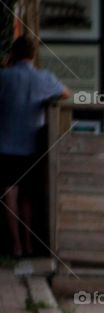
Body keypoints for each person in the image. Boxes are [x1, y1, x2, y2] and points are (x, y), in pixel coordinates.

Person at [0, 36, 70, 258]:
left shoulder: (5, 76)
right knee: (27, 196)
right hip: (32, 145)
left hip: (5, 144)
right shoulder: (44, 78)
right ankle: (30, 243)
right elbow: (65, 94)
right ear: (33, 55)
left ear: (13, 54)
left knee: (9, 192)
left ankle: (15, 245)